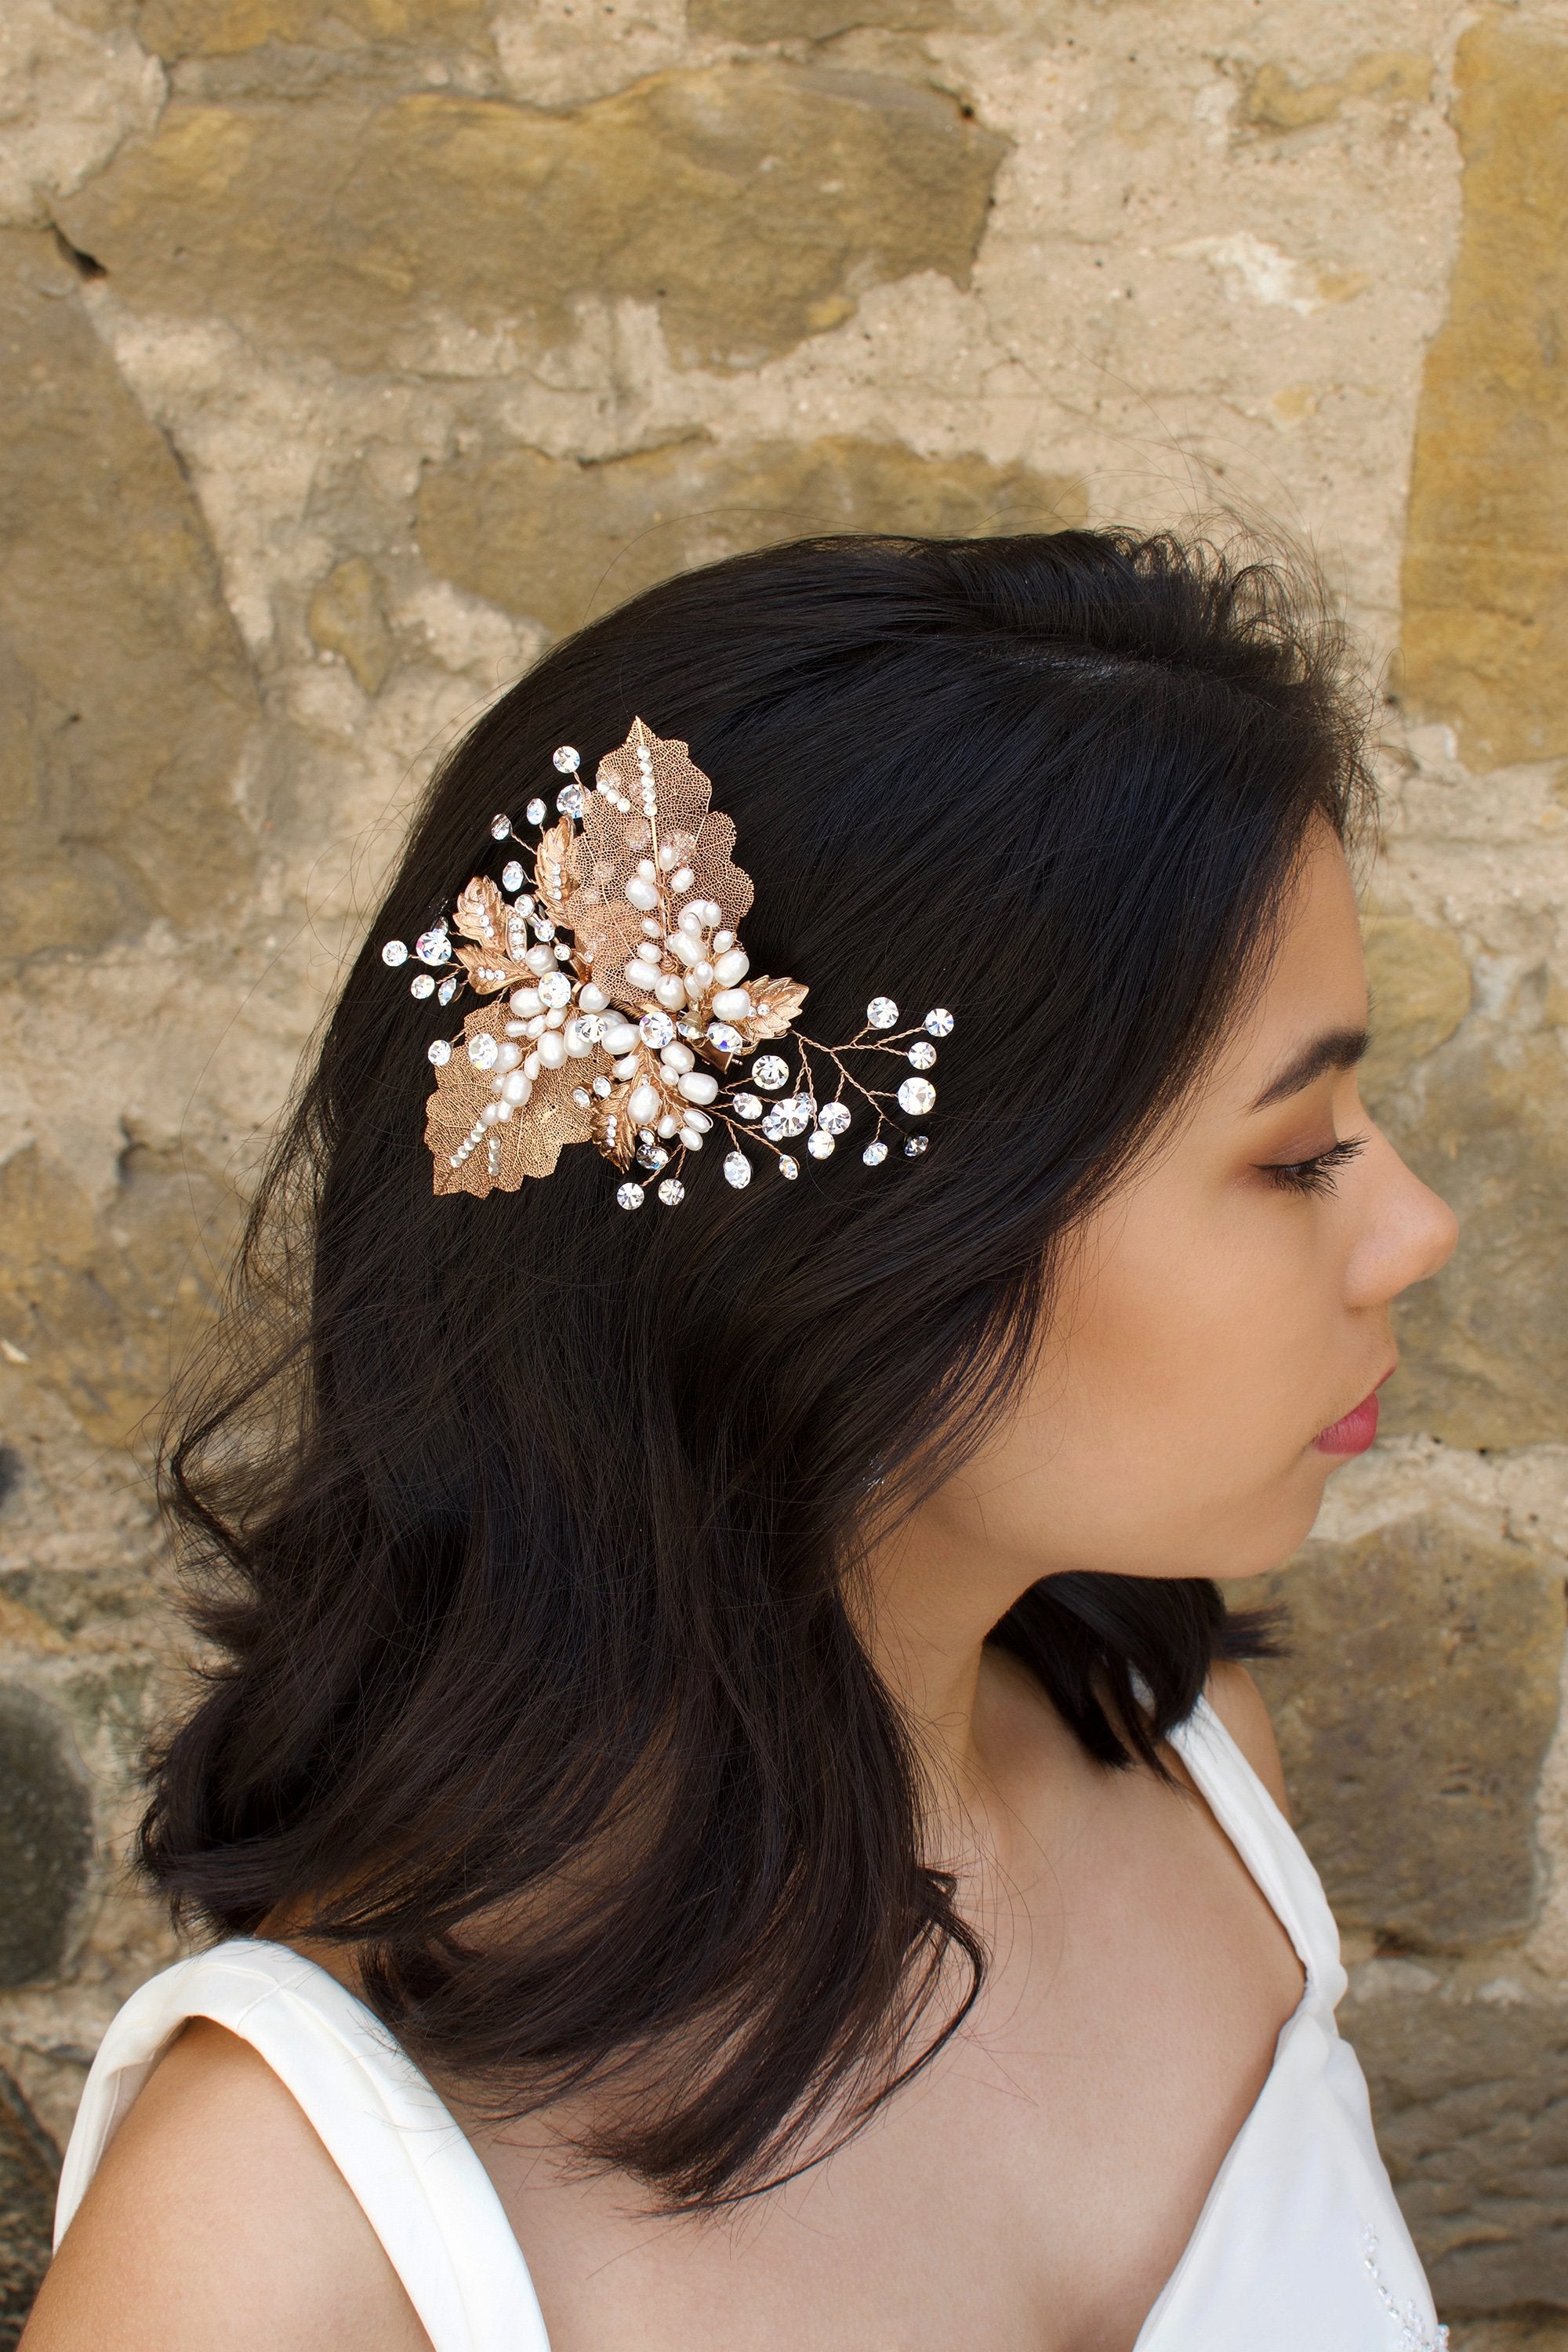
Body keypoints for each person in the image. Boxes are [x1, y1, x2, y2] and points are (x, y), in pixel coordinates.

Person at [24, 528, 1459, 2352]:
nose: (1413, 1226)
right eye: (1296, 1147)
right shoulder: (285, 2240)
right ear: (850, 1261)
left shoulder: (1193, 1782)